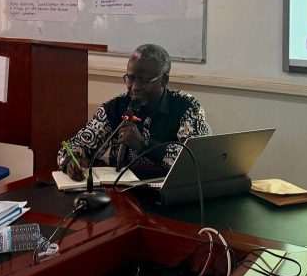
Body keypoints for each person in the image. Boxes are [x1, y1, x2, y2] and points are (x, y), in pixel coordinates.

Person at [58, 44, 210, 180]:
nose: (135, 87)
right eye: (130, 79)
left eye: (143, 80)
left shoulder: (187, 107)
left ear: (163, 80)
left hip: (170, 193)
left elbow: (196, 159)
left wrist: (144, 144)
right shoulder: (115, 107)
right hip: (122, 194)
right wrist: (73, 160)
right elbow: (74, 146)